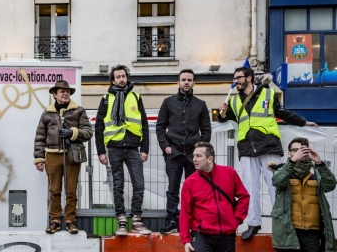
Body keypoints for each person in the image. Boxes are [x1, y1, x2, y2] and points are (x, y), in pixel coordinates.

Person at [219, 66, 317, 240]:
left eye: (239, 78)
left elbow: (282, 113)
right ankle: (253, 223)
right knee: (250, 188)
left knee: (276, 185)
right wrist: (222, 113)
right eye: (234, 78)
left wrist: (303, 122)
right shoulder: (233, 101)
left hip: (268, 144)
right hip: (247, 147)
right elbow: (228, 118)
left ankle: (282, 223)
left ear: (249, 78)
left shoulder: (268, 94)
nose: (236, 81)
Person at [94, 65, 151, 236]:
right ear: (112, 80)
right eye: (118, 77)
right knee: (117, 185)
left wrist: (145, 148)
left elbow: (145, 124)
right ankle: (121, 220)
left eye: (123, 76)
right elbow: (98, 127)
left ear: (127, 78)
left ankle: (136, 220)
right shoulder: (106, 99)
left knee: (139, 184)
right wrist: (101, 152)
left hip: (133, 148)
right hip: (114, 148)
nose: (121, 79)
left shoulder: (135, 97)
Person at [156, 69, 211, 235]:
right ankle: (172, 220)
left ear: (194, 83)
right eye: (183, 80)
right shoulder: (168, 102)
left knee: (194, 189)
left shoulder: (200, 104)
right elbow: (160, 127)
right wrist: (166, 147)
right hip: (173, 153)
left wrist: (200, 150)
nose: (186, 82)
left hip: (193, 156)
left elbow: (206, 130)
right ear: (178, 82)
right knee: (172, 189)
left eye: (189, 80)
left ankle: (193, 222)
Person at [34, 80, 92, 234]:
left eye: (67, 91)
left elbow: (88, 132)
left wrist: (73, 133)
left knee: (71, 190)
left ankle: (70, 221)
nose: (65, 93)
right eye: (62, 91)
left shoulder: (78, 111)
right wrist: (39, 158)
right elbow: (40, 137)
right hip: (52, 156)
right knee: (54, 190)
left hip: (72, 155)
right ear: (55, 94)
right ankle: (54, 221)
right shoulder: (47, 114)